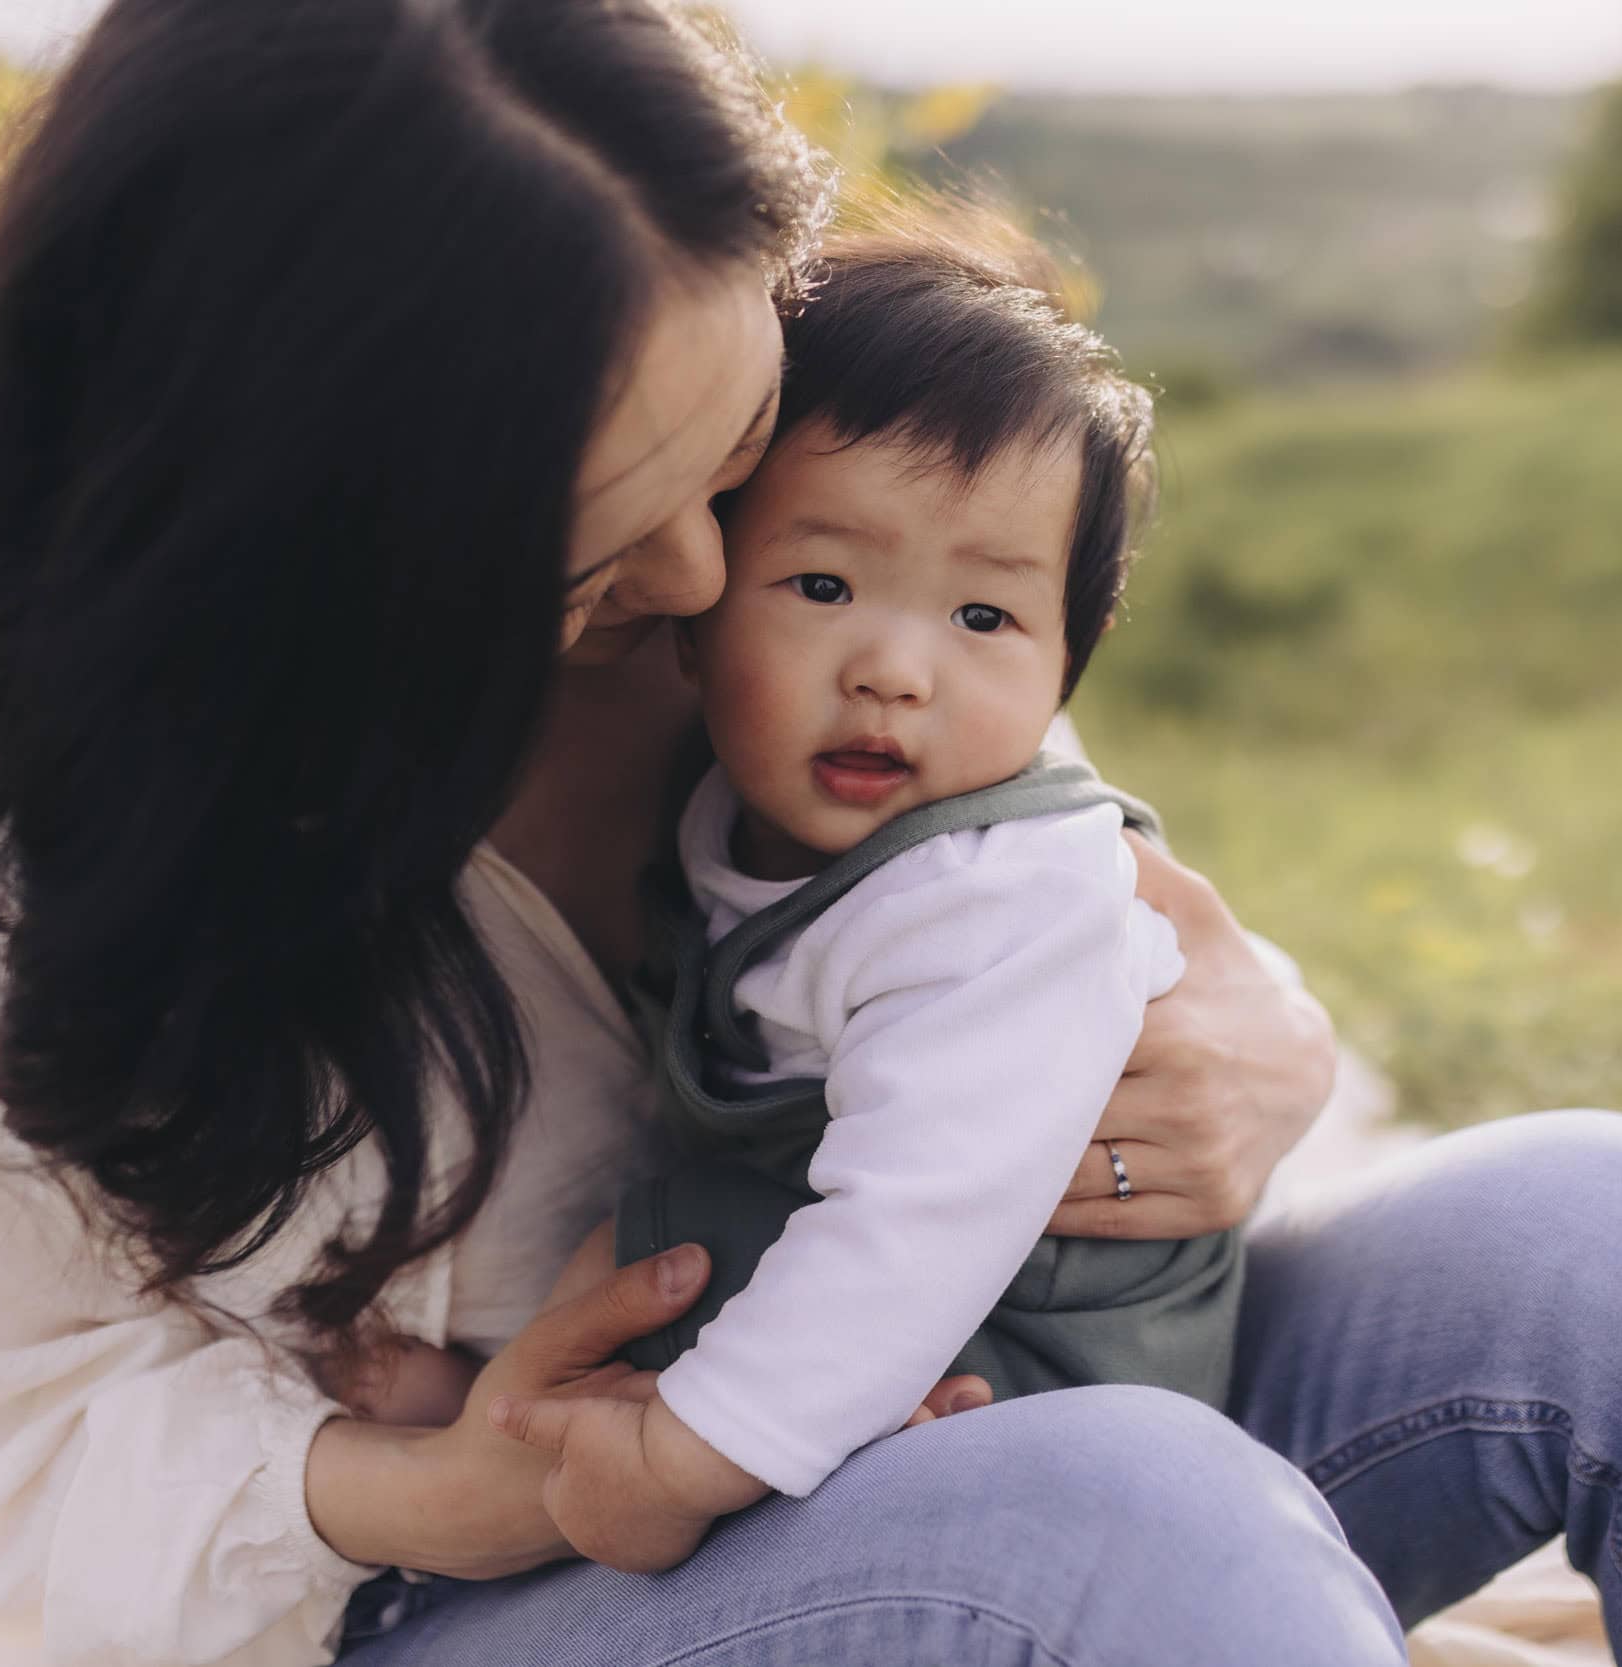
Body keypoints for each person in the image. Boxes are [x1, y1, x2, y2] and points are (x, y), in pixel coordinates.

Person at [0, 1, 1622, 1664]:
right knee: (1133, 1510)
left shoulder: (780, 610)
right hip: (512, 1593)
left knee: (1616, 1227)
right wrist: (420, 1488)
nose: (709, 589)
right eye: (610, 532)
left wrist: (1251, 1044)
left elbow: (1060, 914)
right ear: (336, 518)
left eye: (732, 474)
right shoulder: (37, 845)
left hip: (976, 1392)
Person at [489, 215, 1247, 1566]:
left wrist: (681, 1459)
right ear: (699, 601)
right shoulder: (745, 817)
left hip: (1050, 1353)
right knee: (661, 1244)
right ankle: (519, 1426)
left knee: (648, 1246)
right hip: (918, 1316)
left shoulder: (998, 891)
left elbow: (915, 1226)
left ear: (1073, 653)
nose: (897, 670)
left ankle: (531, 1430)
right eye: (825, 584)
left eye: (984, 618)